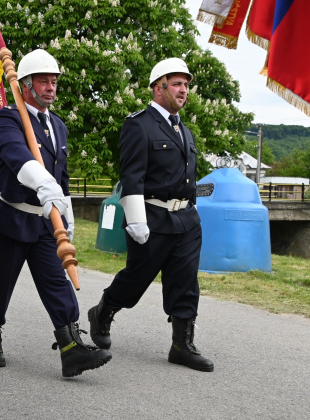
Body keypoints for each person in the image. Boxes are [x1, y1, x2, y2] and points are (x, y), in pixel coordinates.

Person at [0, 49, 111, 377]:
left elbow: (61, 177)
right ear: (25, 85)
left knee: (56, 281)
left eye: (54, 82)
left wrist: (66, 212)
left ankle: (70, 346)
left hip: (44, 221)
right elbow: (15, 155)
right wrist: (42, 182)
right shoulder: (8, 118)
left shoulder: (59, 126)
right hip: (10, 216)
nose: (51, 87)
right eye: (43, 81)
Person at [87, 58, 213, 372]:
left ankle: (181, 345)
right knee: (136, 279)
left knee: (185, 283)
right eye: (176, 83)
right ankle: (103, 311)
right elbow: (132, 176)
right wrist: (136, 219)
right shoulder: (138, 124)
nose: (184, 90)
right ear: (159, 88)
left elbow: (185, 177)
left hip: (185, 221)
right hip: (152, 219)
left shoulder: (184, 129)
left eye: (186, 84)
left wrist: (192, 207)